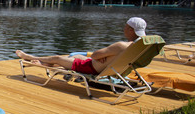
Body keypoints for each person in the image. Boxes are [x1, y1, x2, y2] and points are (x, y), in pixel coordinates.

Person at [15, 17, 147, 75]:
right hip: (110, 69)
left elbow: (96, 55)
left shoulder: (121, 45)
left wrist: (102, 56)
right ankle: (43, 63)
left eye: (125, 27)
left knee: (57, 57)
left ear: (130, 30)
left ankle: (30, 57)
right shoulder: (140, 47)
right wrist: (107, 58)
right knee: (74, 56)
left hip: (92, 68)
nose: (124, 29)